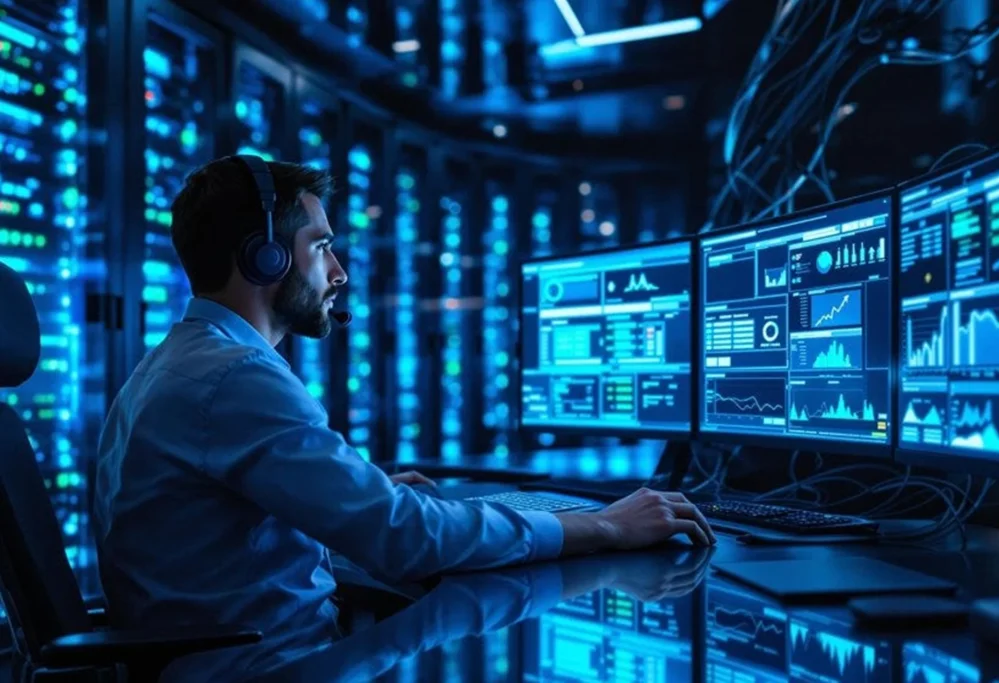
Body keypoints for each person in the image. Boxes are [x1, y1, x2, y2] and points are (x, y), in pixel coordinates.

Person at [92, 156, 715, 681]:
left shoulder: (177, 363)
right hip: (268, 666)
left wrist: (368, 498)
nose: (339, 274)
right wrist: (605, 526)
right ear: (266, 258)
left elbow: (240, 532)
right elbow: (404, 537)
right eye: (323, 246)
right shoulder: (233, 377)